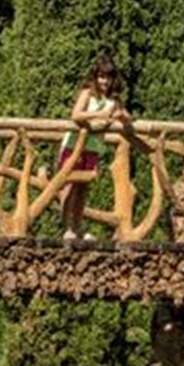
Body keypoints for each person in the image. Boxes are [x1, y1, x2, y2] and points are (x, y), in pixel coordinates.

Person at [57, 54, 124, 240]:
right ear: (96, 77)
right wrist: (99, 114)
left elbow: (123, 115)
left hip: (93, 148)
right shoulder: (87, 94)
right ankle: (66, 227)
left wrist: (121, 116)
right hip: (74, 145)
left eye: (109, 77)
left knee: (83, 188)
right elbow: (76, 115)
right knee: (70, 186)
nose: (105, 81)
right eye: (102, 76)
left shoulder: (113, 100)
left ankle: (78, 226)